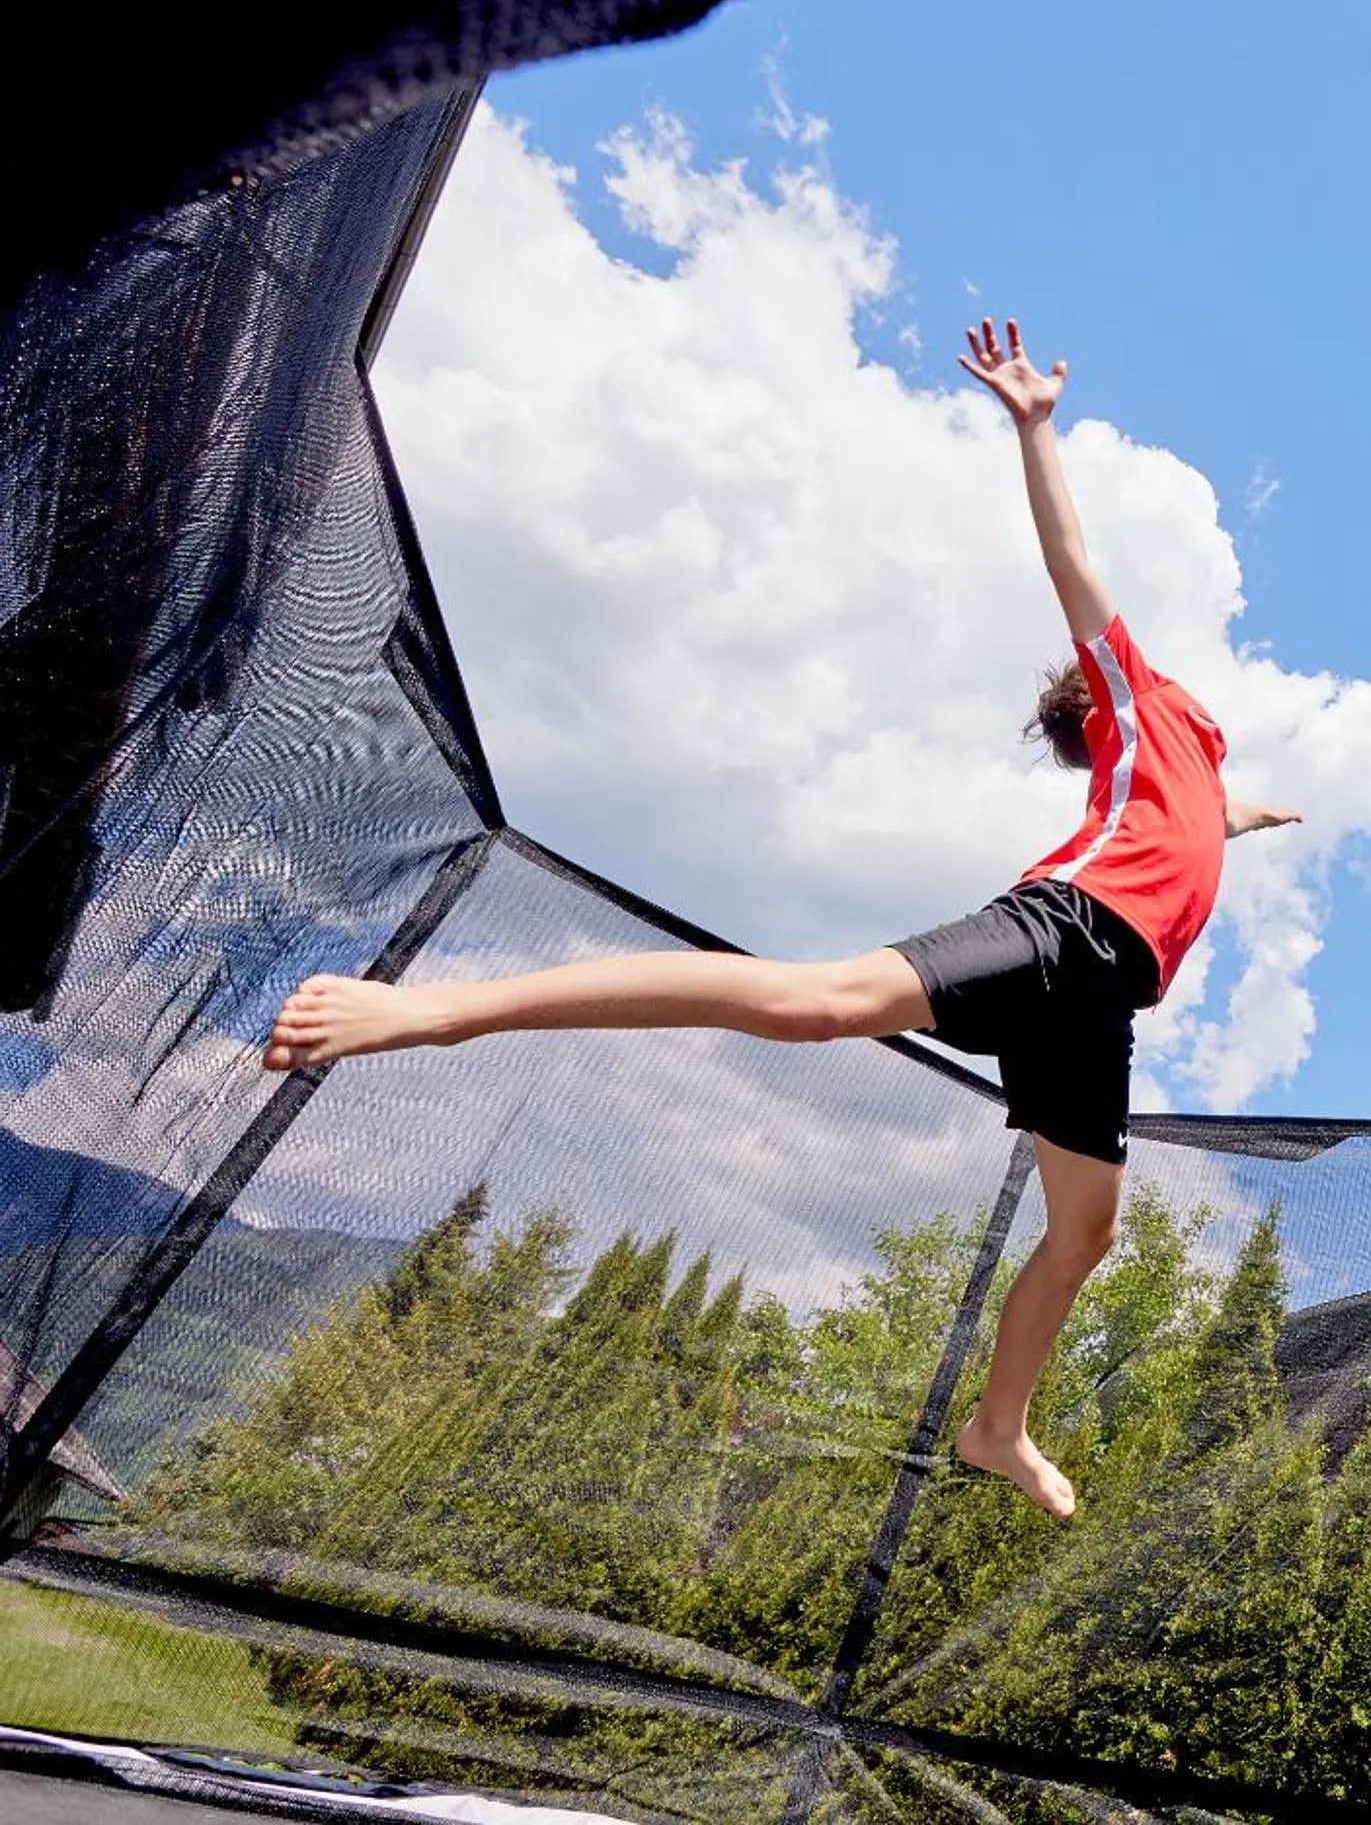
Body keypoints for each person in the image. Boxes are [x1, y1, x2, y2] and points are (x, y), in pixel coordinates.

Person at [262, 319, 1300, 1520]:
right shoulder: (1143, 698)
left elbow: (1208, 823)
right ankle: (436, 1010)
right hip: (1064, 925)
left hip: (1105, 993)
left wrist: (1252, 815)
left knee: (1085, 1232)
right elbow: (1074, 564)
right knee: (822, 1002)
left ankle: (995, 1426)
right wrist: (1035, 430)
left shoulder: (1195, 782)